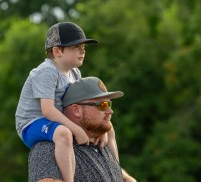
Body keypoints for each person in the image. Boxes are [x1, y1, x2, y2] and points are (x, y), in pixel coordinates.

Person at [15, 22, 101, 182]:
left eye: (83, 46)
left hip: (55, 120)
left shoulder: (75, 72)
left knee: (107, 129)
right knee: (64, 133)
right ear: (57, 51)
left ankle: (117, 174)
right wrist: (76, 129)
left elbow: (78, 105)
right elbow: (47, 110)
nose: (82, 50)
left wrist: (96, 129)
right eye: (76, 46)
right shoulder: (47, 72)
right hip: (31, 123)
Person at [28, 77, 137, 182]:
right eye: (103, 105)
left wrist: (126, 178)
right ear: (76, 110)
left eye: (109, 104)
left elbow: (97, 171)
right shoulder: (49, 148)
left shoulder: (100, 142)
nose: (110, 111)